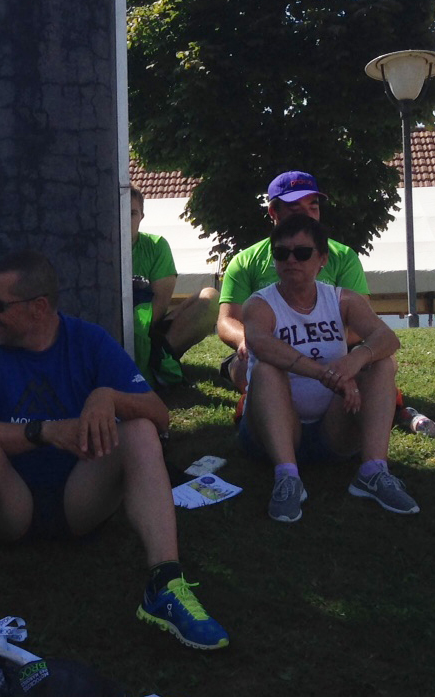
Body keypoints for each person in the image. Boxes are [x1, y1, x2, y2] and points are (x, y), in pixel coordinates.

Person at [0, 249, 228, 685]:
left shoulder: (88, 340)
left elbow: (160, 414)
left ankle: (165, 585)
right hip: (12, 504)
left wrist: (108, 397)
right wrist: (45, 432)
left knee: (140, 431)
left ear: (38, 308)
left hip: (81, 496)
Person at [239, 215, 416, 523]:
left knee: (382, 364)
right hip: (273, 429)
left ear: (322, 259)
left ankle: (373, 471)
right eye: (282, 253)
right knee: (266, 370)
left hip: (333, 427)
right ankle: (287, 477)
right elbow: (260, 344)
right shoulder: (259, 304)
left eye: (302, 253)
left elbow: (387, 338)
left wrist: (354, 360)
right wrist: (325, 374)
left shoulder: (341, 299)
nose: (291, 260)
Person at [216, 172, 369, 388]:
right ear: (273, 212)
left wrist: (321, 345)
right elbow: (227, 320)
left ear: (322, 259)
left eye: (313, 207)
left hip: (334, 351)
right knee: (245, 368)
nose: (307, 215)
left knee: (381, 364)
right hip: (265, 349)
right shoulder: (245, 260)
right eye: (295, 208)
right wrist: (246, 339)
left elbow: (362, 323)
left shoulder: (343, 256)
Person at [130, 185, 219, 389]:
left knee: (211, 297)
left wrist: (138, 336)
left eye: (132, 213)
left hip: (150, 330)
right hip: (108, 329)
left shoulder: (156, 245)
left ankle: (158, 358)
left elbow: (160, 303)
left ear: (142, 216)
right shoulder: (96, 246)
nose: (126, 219)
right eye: (121, 212)